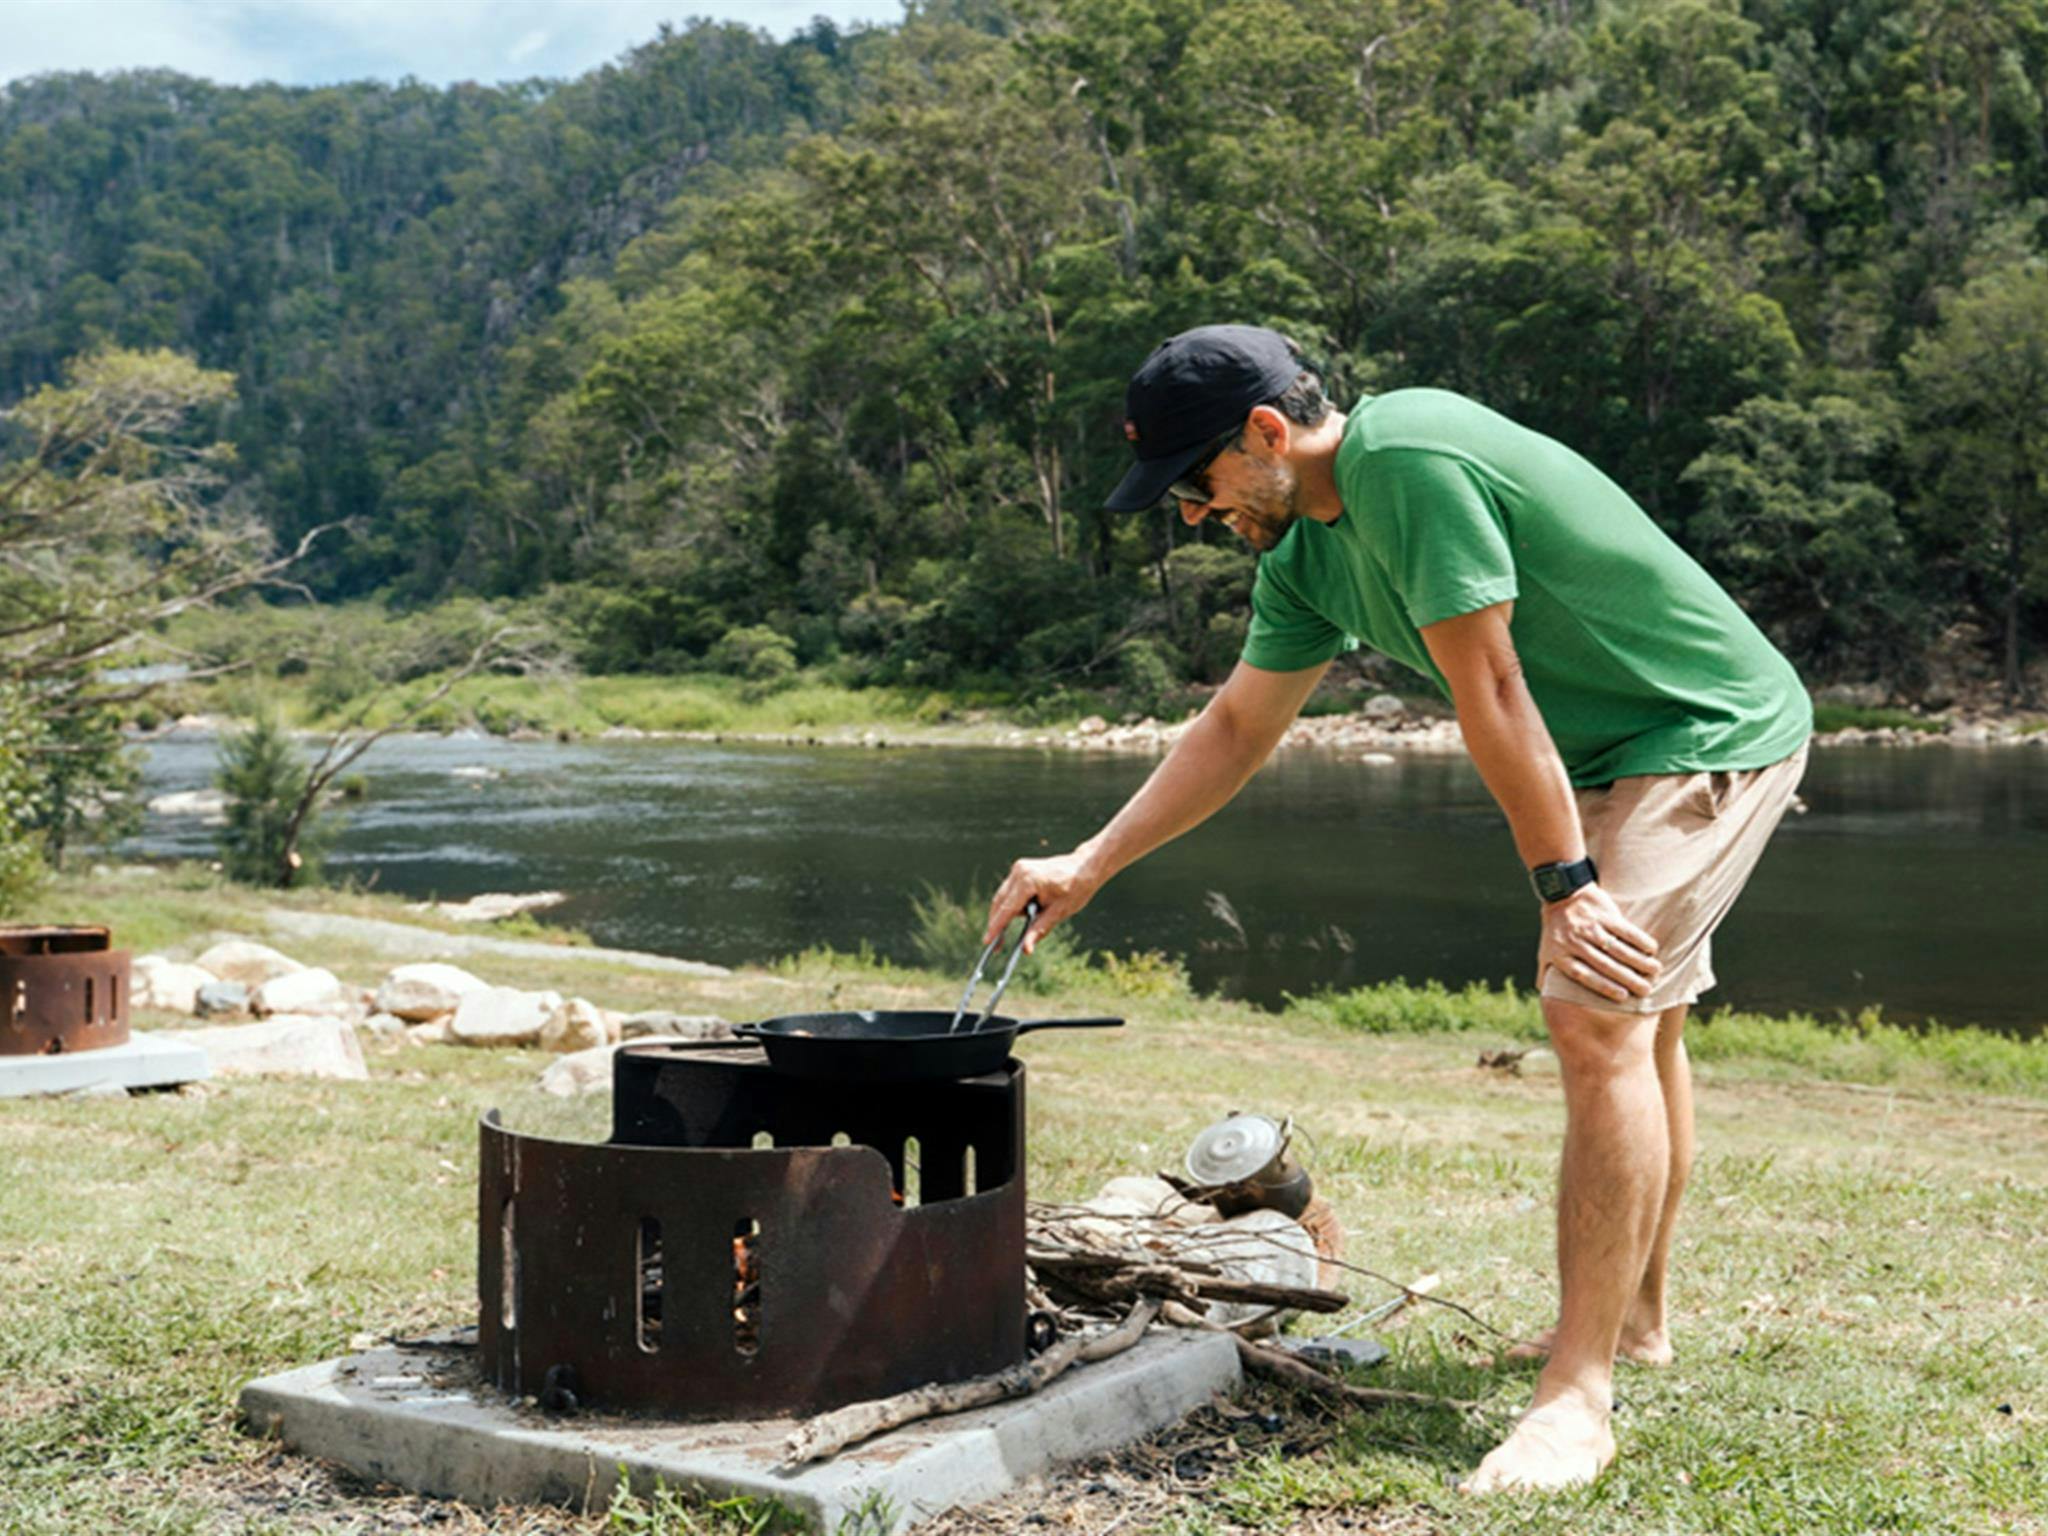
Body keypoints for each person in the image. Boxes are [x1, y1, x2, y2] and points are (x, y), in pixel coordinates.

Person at [982, 324, 1811, 1493]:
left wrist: (1566, 888)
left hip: (1704, 726)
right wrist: (1090, 862)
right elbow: (1236, 727)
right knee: (1641, 1019)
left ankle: (1575, 1402)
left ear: (1265, 432)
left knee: (1592, 1010)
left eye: (1197, 482)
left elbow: (1491, 684)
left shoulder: (1405, 456)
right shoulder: (1303, 560)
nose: (1194, 514)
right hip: (1606, 749)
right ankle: (1632, 1323)